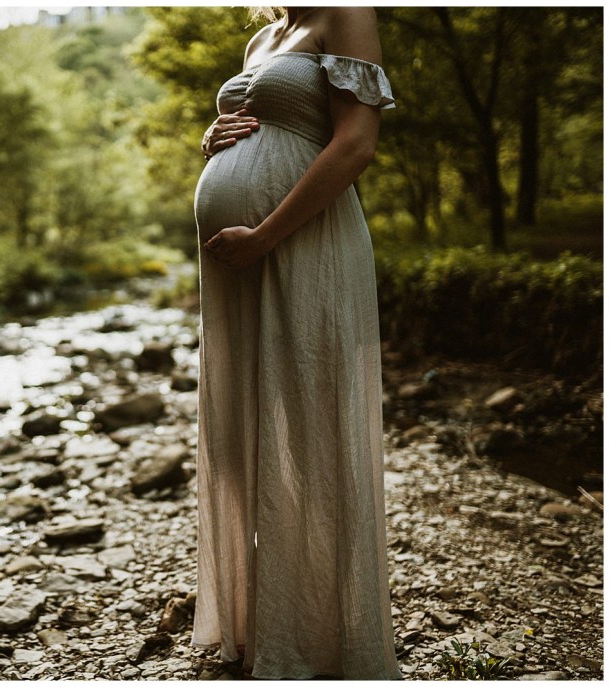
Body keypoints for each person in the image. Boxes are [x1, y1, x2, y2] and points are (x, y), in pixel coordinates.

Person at [191, 6, 402, 680]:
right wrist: (212, 138)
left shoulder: (348, 12)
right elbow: (267, 124)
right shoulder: (264, 36)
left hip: (303, 244)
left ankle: (324, 636)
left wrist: (265, 235)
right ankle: (268, 619)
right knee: (241, 436)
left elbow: (355, 144)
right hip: (241, 262)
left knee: (312, 433)